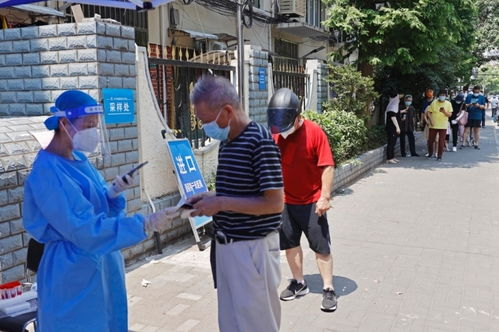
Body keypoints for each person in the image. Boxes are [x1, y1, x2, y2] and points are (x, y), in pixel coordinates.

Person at [22, 90, 177, 332]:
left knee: (108, 320)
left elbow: (95, 209)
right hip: (71, 269)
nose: (93, 132)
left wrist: (112, 193)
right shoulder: (47, 172)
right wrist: (143, 224)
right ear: (64, 123)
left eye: (95, 125)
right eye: (88, 125)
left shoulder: (78, 160)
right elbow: (83, 229)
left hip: (100, 264)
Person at [187, 76, 284, 332]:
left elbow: (274, 203)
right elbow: (241, 190)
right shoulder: (229, 142)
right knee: (230, 324)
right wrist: (210, 196)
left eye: (206, 120)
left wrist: (221, 203)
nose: (204, 127)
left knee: (256, 325)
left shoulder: (259, 142)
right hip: (228, 247)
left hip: (252, 251)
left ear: (227, 111)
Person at [267, 88, 337, 312]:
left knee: (321, 247)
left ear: (298, 118)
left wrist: (324, 197)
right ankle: (299, 282)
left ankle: (328, 288)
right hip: (286, 201)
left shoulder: (314, 133)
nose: (282, 132)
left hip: (312, 201)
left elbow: (327, 165)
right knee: (290, 244)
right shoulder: (276, 133)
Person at [426, 90, 452, 160]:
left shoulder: (448, 104)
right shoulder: (434, 103)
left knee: (441, 141)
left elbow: (450, 115)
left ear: (446, 96)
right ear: (438, 96)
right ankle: (430, 154)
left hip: (443, 126)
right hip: (433, 125)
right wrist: (431, 121)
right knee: (430, 141)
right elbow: (429, 112)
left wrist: (444, 112)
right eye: (441, 95)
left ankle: (439, 156)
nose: (442, 96)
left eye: (443, 95)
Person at [463, 85, 486, 149]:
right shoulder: (469, 96)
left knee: (477, 130)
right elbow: (465, 105)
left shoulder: (482, 97)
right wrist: (470, 104)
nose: (476, 92)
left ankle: (476, 143)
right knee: (466, 129)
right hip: (469, 115)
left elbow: (484, 107)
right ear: (473, 90)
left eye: (478, 91)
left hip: (478, 115)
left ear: (479, 91)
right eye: (475, 91)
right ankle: (464, 143)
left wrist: (478, 105)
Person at [385, 88, 402, 164]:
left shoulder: (393, 106)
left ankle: (392, 157)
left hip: (393, 128)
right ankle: (389, 158)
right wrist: (397, 127)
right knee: (391, 143)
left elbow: (396, 114)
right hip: (391, 128)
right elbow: (393, 117)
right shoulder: (392, 107)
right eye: (398, 98)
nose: (399, 99)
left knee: (393, 143)